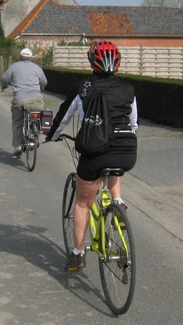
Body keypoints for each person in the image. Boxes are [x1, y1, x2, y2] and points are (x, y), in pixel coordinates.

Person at [46, 41, 138, 271]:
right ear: (117, 63)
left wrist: (52, 135)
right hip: (127, 152)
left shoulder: (82, 87)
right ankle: (117, 204)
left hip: (95, 152)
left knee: (83, 203)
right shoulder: (128, 89)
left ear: (91, 62)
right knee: (114, 162)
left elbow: (64, 116)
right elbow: (134, 123)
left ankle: (78, 254)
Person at [1, 48, 47, 158]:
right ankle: (36, 130)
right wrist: (41, 87)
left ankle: (17, 146)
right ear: (31, 58)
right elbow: (44, 82)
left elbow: (4, 78)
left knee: (17, 122)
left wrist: (4, 85)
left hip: (20, 100)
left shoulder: (14, 66)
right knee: (39, 112)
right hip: (36, 98)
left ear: (19, 57)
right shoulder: (37, 68)